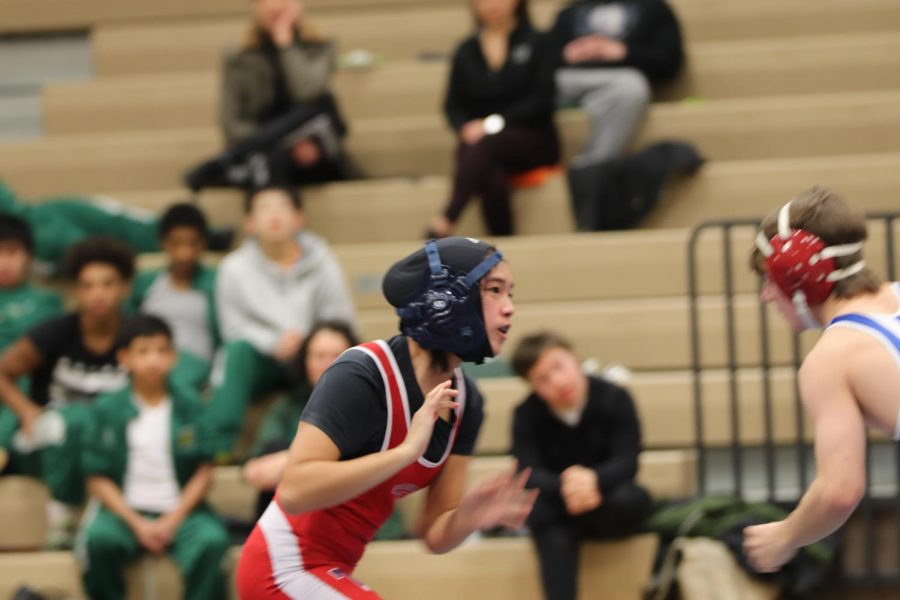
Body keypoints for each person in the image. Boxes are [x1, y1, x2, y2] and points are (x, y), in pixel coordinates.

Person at [236, 236, 535, 598]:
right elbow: (296, 492)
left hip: (328, 569)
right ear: (445, 301)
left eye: (510, 294)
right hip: (281, 566)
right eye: (494, 291)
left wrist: (466, 518)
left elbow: (434, 535)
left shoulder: (466, 402)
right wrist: (404, 453)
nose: (509, 308)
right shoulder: (363, 373)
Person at [742, 186, 900, 573]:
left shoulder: (833, 358)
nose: (765, 297)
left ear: (797, 275)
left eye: (768, 280)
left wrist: (784, 536)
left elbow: (839, 491)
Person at [79, 315, 229, 600]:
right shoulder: (106, 410)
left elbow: (205, 471)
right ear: (124, 357)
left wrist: (172, 519)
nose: (153, 360)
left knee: (212, 541)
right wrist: (138, 524)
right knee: (98, 541)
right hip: (123, 512)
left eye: (162, 351)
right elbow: (96, 478)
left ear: (173, 356)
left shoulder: (191, 404)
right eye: (143, 351)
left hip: (183, 512)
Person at [0, 237, 134, 546]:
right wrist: (25, 410)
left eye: (107, 283)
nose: (97, 294)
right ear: (74, 291)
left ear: (125, 287)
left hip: (110, 443)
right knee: (74, 419)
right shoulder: (55, 332)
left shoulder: (136, 336)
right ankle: (62, 518)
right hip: (48, 440)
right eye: (87, 285)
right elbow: (3, 372)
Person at [211, 186, 355, 454]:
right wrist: (273, 342)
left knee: (333, 354)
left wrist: (308, 343)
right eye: (264, 207)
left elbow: (339, 319)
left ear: (299, 217)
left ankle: (333, 446)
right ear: (249, 223)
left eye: (283, 206)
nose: (274, 214)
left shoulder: (323, 260)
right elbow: (233, 327)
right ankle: (219, 447)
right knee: (236, 351)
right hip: (263, 360)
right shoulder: (233, 268)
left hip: (310, 355)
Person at [511, 331, 651, 600]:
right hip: (560, 504)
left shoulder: (615, 397)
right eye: (542, 379)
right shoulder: (526, 414)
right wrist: (568, 486)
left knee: (634, 498)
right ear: (532, 386)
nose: (557, 381)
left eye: (558, 366)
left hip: (607, 500)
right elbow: (528, 471)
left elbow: (627, 462)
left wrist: (592, 480)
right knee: (544, 518)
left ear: (574, 358)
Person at [429, 0, 560, 238]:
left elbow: (542, 100)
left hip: (532, 137)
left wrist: (492, 124)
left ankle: (446, 219)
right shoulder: (466, 50)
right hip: (482, 145)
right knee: (489, 169)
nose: (491, 4)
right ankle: (503, 244)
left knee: (485, 146)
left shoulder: (538, 42)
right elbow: (452, 106)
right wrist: (464, 127)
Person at [208, 0, 353, 189]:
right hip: (261, 147)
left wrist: (286, 45)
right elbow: (231, 123)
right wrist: (277, 142)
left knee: (320, 109)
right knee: (272, 158)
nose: (275, 6)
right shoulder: (238, 56)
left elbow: (307, 91)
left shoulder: (321, 46)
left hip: (311, 144)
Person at [548, 0, 683, 168]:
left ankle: (592, 168)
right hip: (569, 78)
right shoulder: (570, 11)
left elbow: (669, 62)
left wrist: (624, 52)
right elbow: (541, 58)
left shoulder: (653, 7)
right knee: (531, 85)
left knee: (631, 87)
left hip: (622, 79)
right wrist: (567, 54)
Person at [243, 320, 358, 517]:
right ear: (305, 361)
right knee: (274, 450)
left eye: (337, 356)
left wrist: (295, 464)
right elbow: (257, 472)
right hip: (300, 508)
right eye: (319, 356)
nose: (328, 364)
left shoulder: (372, 406)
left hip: (353, 510)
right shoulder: (287, 407)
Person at [128, 203, 220, 387]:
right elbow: (127, 327)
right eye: (176, 243)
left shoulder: (216, 282)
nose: (184, 253)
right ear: (163, 243)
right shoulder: (145, 283)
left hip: (195, 365)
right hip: (150, 361)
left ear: (203, 243)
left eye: (192, 243)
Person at [0, 215, 64, 473]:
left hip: (19, 386)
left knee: (22, 379)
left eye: (12, 252)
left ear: (28, 255)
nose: (4, 262)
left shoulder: (45, 301)